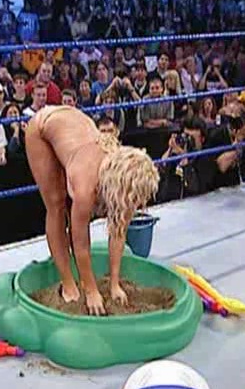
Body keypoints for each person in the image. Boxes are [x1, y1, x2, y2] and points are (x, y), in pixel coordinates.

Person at [25, 105, 159, 315]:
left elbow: (119, 228)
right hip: (43, 127)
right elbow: (81, 243)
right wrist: (91, 290)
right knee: (57, 204)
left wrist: (114, 283)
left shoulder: (125, 177)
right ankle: (68, 284)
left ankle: (88, 281)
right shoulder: (86, 187)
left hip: (75, 128)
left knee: (85, 207)